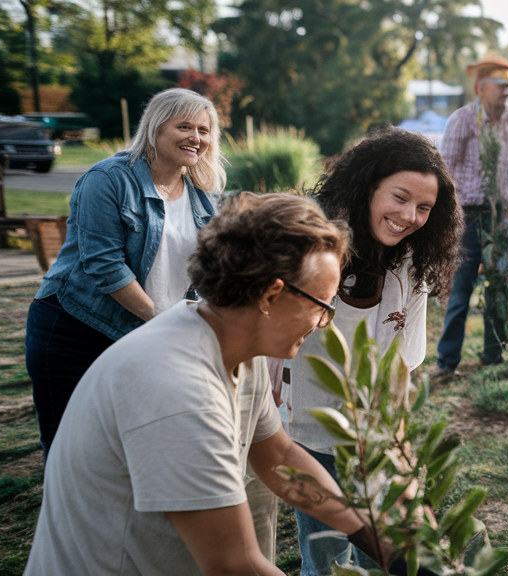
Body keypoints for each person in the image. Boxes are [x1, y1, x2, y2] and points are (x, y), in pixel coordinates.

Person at [25, 192, 401, 576]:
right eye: (322, 304)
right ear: (271, 294)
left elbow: (280, 458)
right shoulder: (179, 390)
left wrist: (369, 534)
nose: (325, 322)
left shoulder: (228, 340)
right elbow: (233, 565)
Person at [288, 127, 461, 575]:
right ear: (368, 188)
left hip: (374, 438)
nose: (410, 216)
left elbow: (401, 368)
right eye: (399, 198)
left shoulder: (412, 263)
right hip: (305, 435)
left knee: (395, 555)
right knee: (325, 559)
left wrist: (399, 456)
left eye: (424, 207)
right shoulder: (311, 252)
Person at [25, 87, 223, 458]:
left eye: (204, 130)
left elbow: (209, 267)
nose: (196, 138)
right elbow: (104, 265)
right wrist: (164, 324)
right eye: (185, 126)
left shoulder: (200, 195)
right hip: (76, 330)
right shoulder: (108, 179)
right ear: (155, 128)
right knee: (73, 450)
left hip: (149, 333)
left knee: (136, 447)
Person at [433, 55, 508, 377]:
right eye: (500, 87)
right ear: (480, 88)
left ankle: (495, 356)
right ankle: (447, 363)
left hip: (502, 216)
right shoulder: (461, 120)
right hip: (469, 216)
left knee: (499, 286)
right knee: (461, 288)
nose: (506, 93)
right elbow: (443, 174)